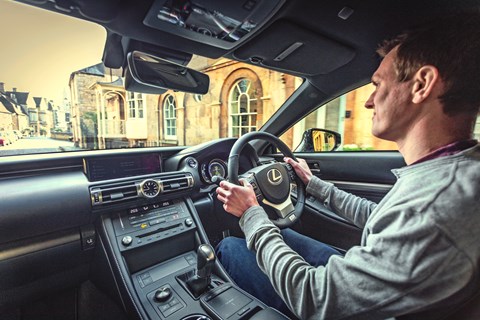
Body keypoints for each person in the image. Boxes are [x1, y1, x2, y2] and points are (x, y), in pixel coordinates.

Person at [215, 11, 480, 320]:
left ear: (421, 84)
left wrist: (251, 214)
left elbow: (314, 298)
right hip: (382, 288)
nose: (369, 101)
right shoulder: (450, 172)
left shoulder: (435, 207)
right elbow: (381, 219)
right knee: (277, 236)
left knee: (232, 248)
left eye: (378, 84)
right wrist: (315, 185)